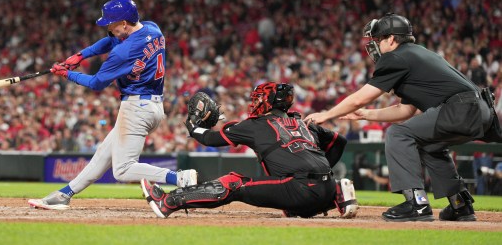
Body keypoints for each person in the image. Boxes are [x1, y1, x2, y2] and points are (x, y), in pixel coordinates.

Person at [305, 13, 502, 222]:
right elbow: (406, 111)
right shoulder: (418, 54)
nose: (376, 45)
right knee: (430, 145)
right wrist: (367, 115)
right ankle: (460, 204)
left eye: (379, 39)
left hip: (460, 109)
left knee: (398, 134)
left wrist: (327, 114)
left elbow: (360, 98)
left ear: (391, 39)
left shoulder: (395, 57)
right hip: (480, 111)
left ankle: (416, 203)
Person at [28, 0, 197, 210]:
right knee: (103, 155)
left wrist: (67, 74)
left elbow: (97, 83)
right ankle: (64, 195)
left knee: (123, 170)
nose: (108, 27)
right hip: (152, 107)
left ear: (124, 23)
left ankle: (179, 178)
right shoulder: (153, 29)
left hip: (136, 108)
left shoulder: (123, 53)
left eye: (111, 23)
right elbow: (110, 40)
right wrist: (81, 55)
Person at [140, 82, 359, 219]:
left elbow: (209, 139)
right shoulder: (303, 122)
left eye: (257, 99)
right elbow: (338, 141)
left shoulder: (254, 125)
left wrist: (192, 124)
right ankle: (336, 196)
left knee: (233, 183)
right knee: (295, 196)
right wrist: (320, 173)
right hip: (325, 185)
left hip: (299, 189)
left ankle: (168, 202)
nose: (254, 104)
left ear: (266, 102)